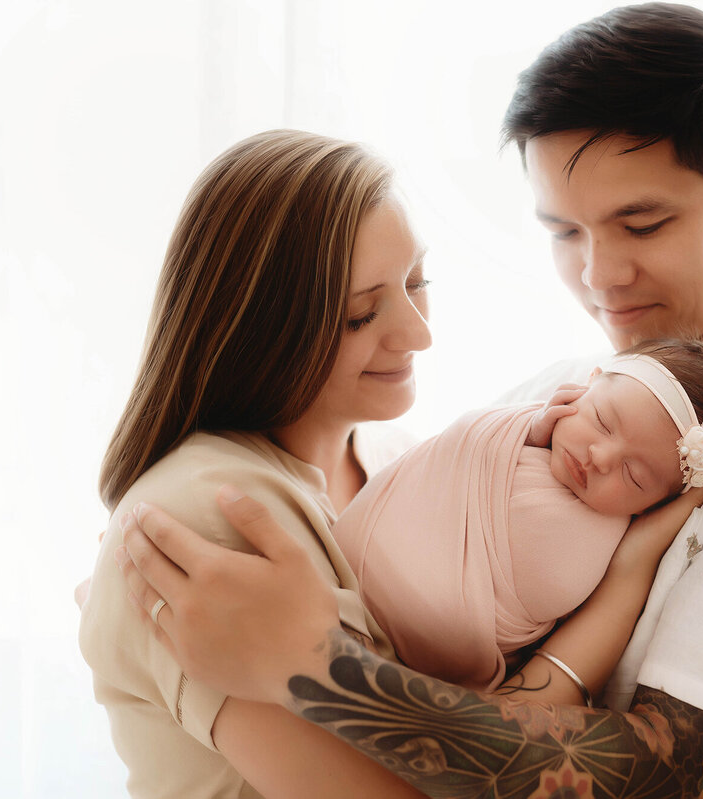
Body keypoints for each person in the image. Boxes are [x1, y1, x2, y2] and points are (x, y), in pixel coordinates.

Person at [116, 4, 703, 798]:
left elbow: (657, 778)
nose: (599, 275)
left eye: (641, 224)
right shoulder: (568, 393)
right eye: (565, 233)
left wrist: (319, 664)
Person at [79, 129, 437, 798]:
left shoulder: (400, 458)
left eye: (419, 282)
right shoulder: (207, 514)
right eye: (362, 315)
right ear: (260, 327)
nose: (420, 332)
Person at [335, 338, 703, 693]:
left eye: (633, 476)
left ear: (652, 506)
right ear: (584, 388)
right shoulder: (516, 431)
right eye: (601, 421)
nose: (599, 457)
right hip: (344, 570)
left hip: (425, 658)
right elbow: (459, 445)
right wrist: (528, 430)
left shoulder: (612, 543)